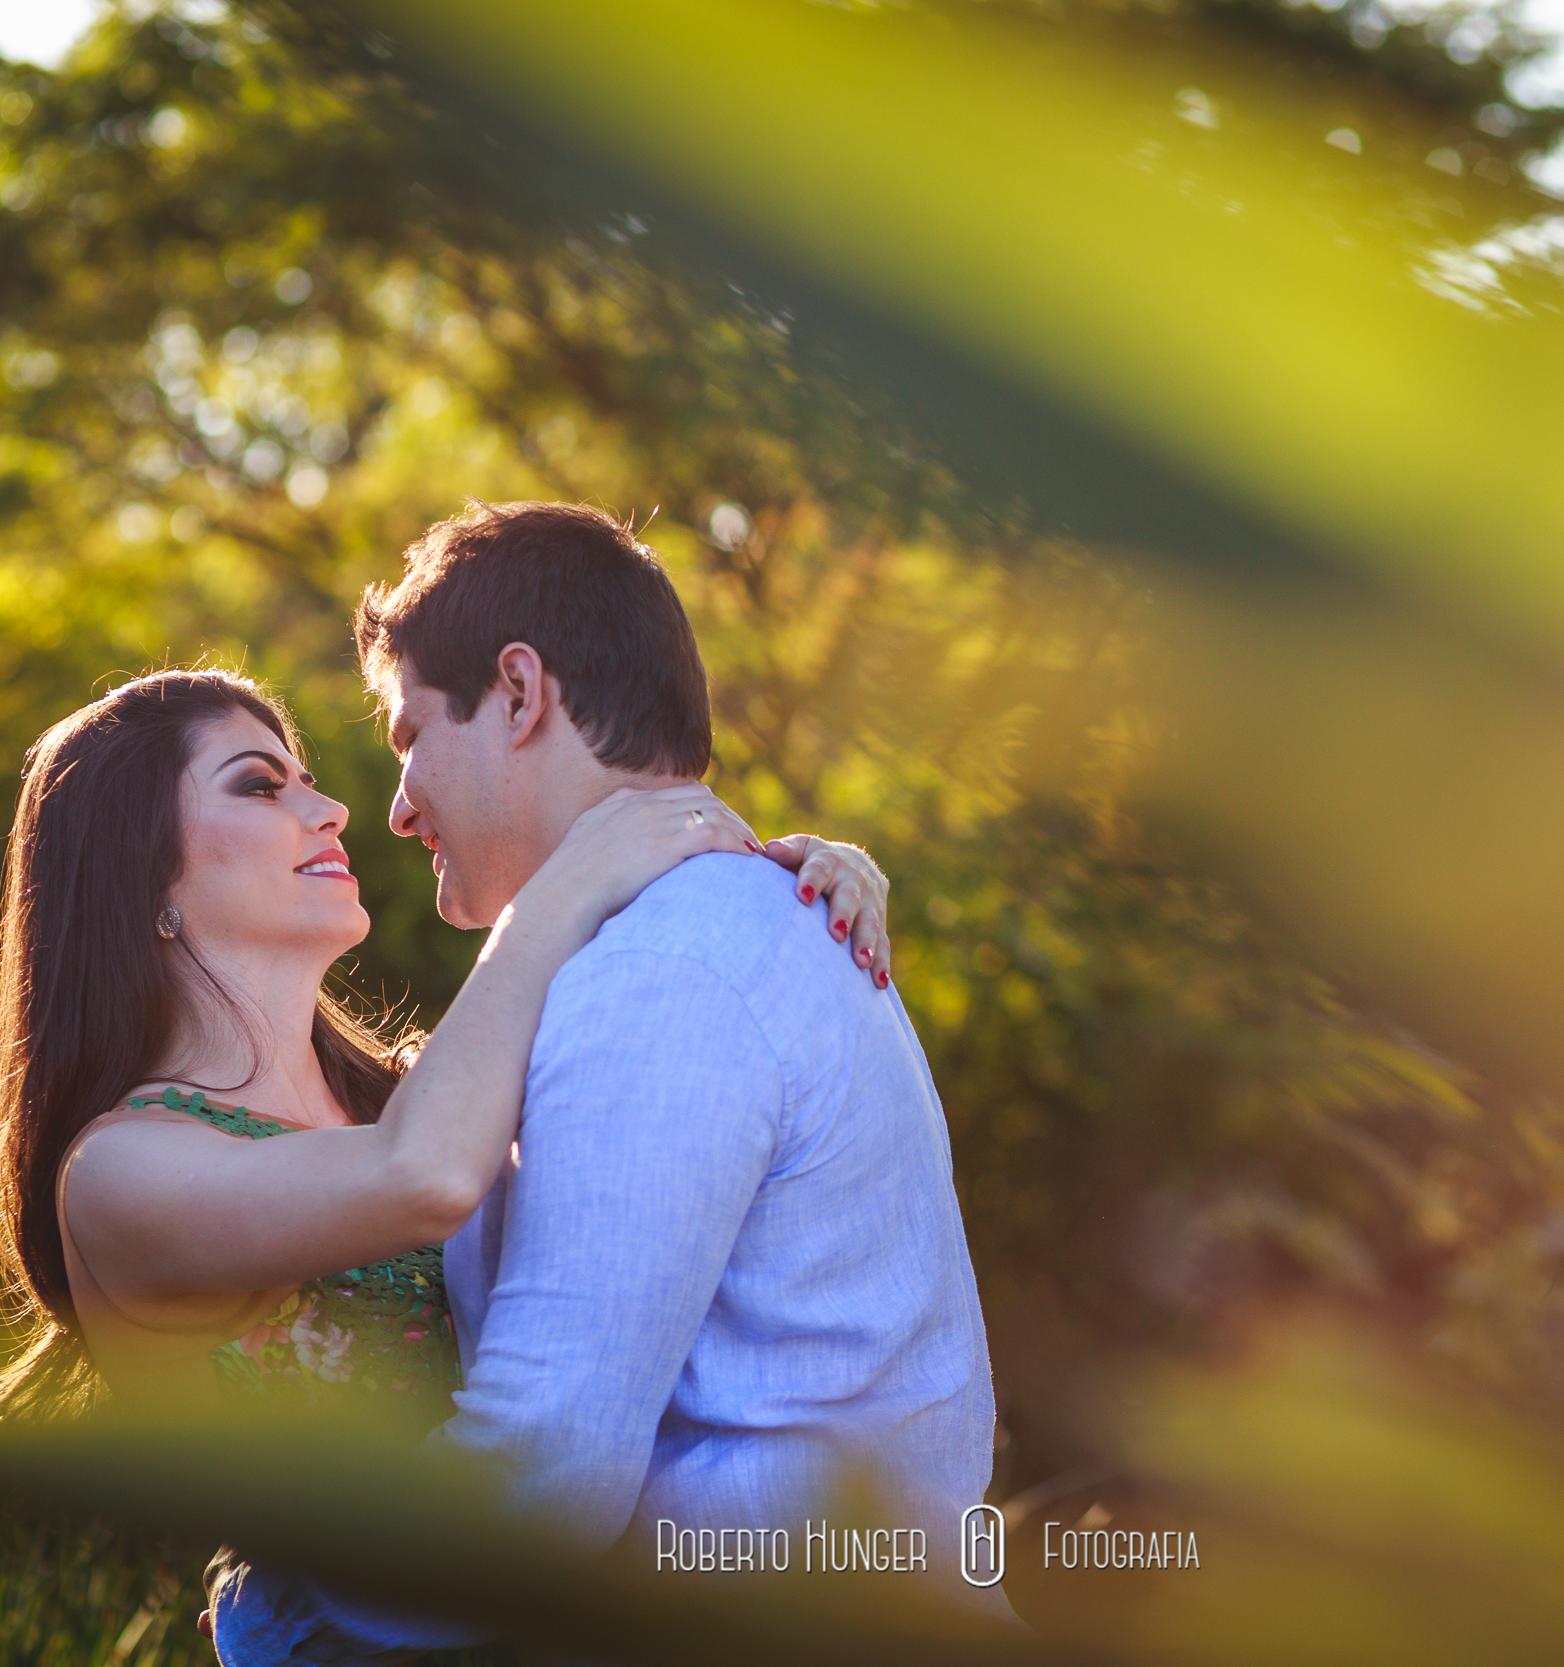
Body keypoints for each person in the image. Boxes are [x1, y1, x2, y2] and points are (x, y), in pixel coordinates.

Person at [210, 502, 1017, 1661]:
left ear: (520, 694)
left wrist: (279, 1592)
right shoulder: (723, 926)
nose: (393, 807)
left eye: (408, 739)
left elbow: (536, 1490)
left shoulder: (663, 969)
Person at [0, 666, 888, 1416]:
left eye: (309, 780)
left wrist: (786, 888)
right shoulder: (120, 1173)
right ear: (139, 870)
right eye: (258, 784)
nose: (331, 812)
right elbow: (424, 1178)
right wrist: (563, 886)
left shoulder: (416, 1092)